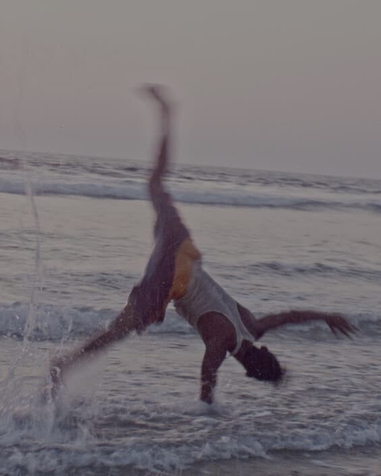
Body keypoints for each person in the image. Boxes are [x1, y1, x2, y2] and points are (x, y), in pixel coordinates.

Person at [50, 85, 356, 404]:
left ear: (264, 349)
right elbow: (206, 385)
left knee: (155, 185)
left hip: (184, 251)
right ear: (248, 372)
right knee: (118, 331)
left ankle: (166, 117)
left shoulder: (254, 326)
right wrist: (208, 416)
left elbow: (291, 315)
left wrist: (327, 315)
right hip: (172, 278)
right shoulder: (220, 345)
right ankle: (62, 366)